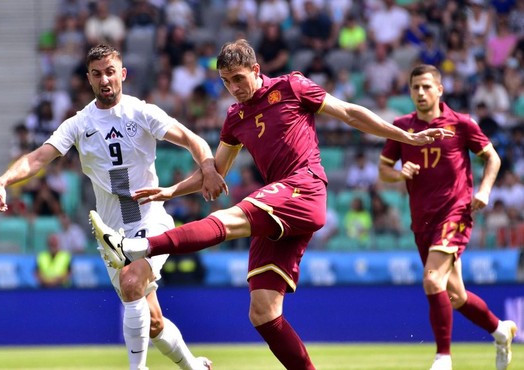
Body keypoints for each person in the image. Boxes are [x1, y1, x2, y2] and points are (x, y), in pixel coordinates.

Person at [90, 39, 453, 370]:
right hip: (279, 207)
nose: (233, 88)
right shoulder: (235, 118)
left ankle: (138, 247)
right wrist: (172, 191)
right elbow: (215, 172)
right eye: (225, 81)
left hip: (304, 187)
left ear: (256, 71)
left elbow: (349, 113)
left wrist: (403, 135)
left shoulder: (292, 87)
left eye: (238, 78)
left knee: (231, 217)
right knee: (263, 312)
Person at [0, 44, 217, 370]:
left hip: (150, 220)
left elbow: (193, 139)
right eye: (97, 74)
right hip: (112, 235)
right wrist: (3, 180)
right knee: (152, 322)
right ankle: (194, 366)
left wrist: (207, 167)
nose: (105, 79)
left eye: (110, 72)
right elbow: (38, 158)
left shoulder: (143, 112)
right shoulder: (79, 124)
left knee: (131, 282)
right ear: (89, 79)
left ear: (122, 73)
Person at [377, 64, 517, 370]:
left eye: (427, 86)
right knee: (455, 295)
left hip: (455, 213)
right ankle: (501, 330)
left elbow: (492, 157)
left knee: (431, 280)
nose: (421, 93)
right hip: (421, 221)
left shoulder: (461, 124)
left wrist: (484, 191)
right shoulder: (401, 127)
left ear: (440, 89)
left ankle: (443, 358)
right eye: (415, 87)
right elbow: (383, 170)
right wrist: (398, 173)